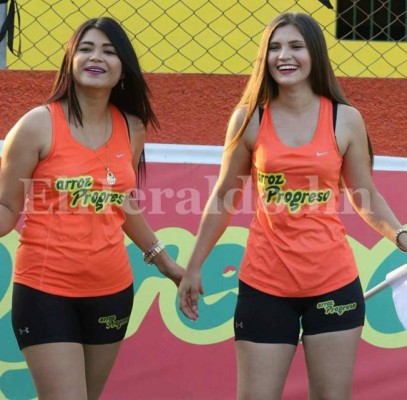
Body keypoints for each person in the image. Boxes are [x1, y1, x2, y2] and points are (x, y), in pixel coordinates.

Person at [178, 12, 407, 400]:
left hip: (332, 282)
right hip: (265, 284)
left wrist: (401, 235)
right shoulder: (249, 119)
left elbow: (364, 195)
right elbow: (223, 197)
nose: (285, 55)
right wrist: (194, 267)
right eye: (275, 47)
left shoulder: (345, 119)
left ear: (314, 54)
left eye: (296, 46)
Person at [0, 17, 183, 400]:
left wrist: (165, 263)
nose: (95, 57)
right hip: (45, 291)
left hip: (111, 290)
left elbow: (122, 201)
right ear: (70, 61)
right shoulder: (37, 125)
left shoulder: (132, 127)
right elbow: (5, 206)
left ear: (123, 70)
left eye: (109, 51)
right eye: (85, 49)